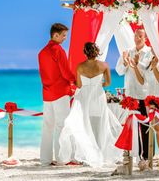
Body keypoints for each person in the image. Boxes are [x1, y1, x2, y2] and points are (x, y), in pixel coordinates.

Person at [58, 42, 122, 167]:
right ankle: (100, 153)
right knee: (100, 125)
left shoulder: (80, 67)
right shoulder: (104, 65)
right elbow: (108, 83)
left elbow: (79, 85)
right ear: (97, 51)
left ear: (85, 52)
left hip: (85, 98)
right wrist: (98, 86)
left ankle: (89, 154)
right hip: (98, 97)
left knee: (87, 125)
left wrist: (88, 86)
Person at [38, 23, 76, 166]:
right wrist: (76, 80)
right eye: (64, 35)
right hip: (60, 92)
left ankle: (45, 160)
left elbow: (43, 74)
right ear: (55, 35)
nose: (65, 38)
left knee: (47, 127)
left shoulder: (41, 53)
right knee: (62, 125)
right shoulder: (58, 50)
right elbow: (66, 72)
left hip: (47, 93)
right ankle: (62, 159)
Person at [115, 28, 153, 161]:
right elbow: (119, 71)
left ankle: (147, 155)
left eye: (140, 36)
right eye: (136, 36)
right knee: (131, 126)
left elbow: (145, 68)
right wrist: (125, 62)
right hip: (130, 94)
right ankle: (133, 154)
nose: (137, 38)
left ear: (145, 38)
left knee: (145, 126)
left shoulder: (148, 52)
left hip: (144, 94)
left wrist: (135, 63)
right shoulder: (128, 52)